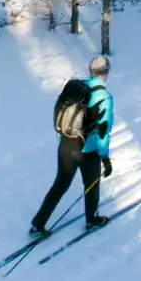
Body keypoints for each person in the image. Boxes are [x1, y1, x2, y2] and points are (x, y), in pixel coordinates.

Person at [30, 55, 115, 235]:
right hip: (88, 150)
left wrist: (65, 141)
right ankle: (92, 220)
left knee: (59, 186)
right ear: (106, 73)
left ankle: (38, 224)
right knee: (91, 184)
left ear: (90, 71)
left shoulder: (75, 87)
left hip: (66, 146)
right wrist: (105, 157)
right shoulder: (104, 97)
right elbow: (103, 130)